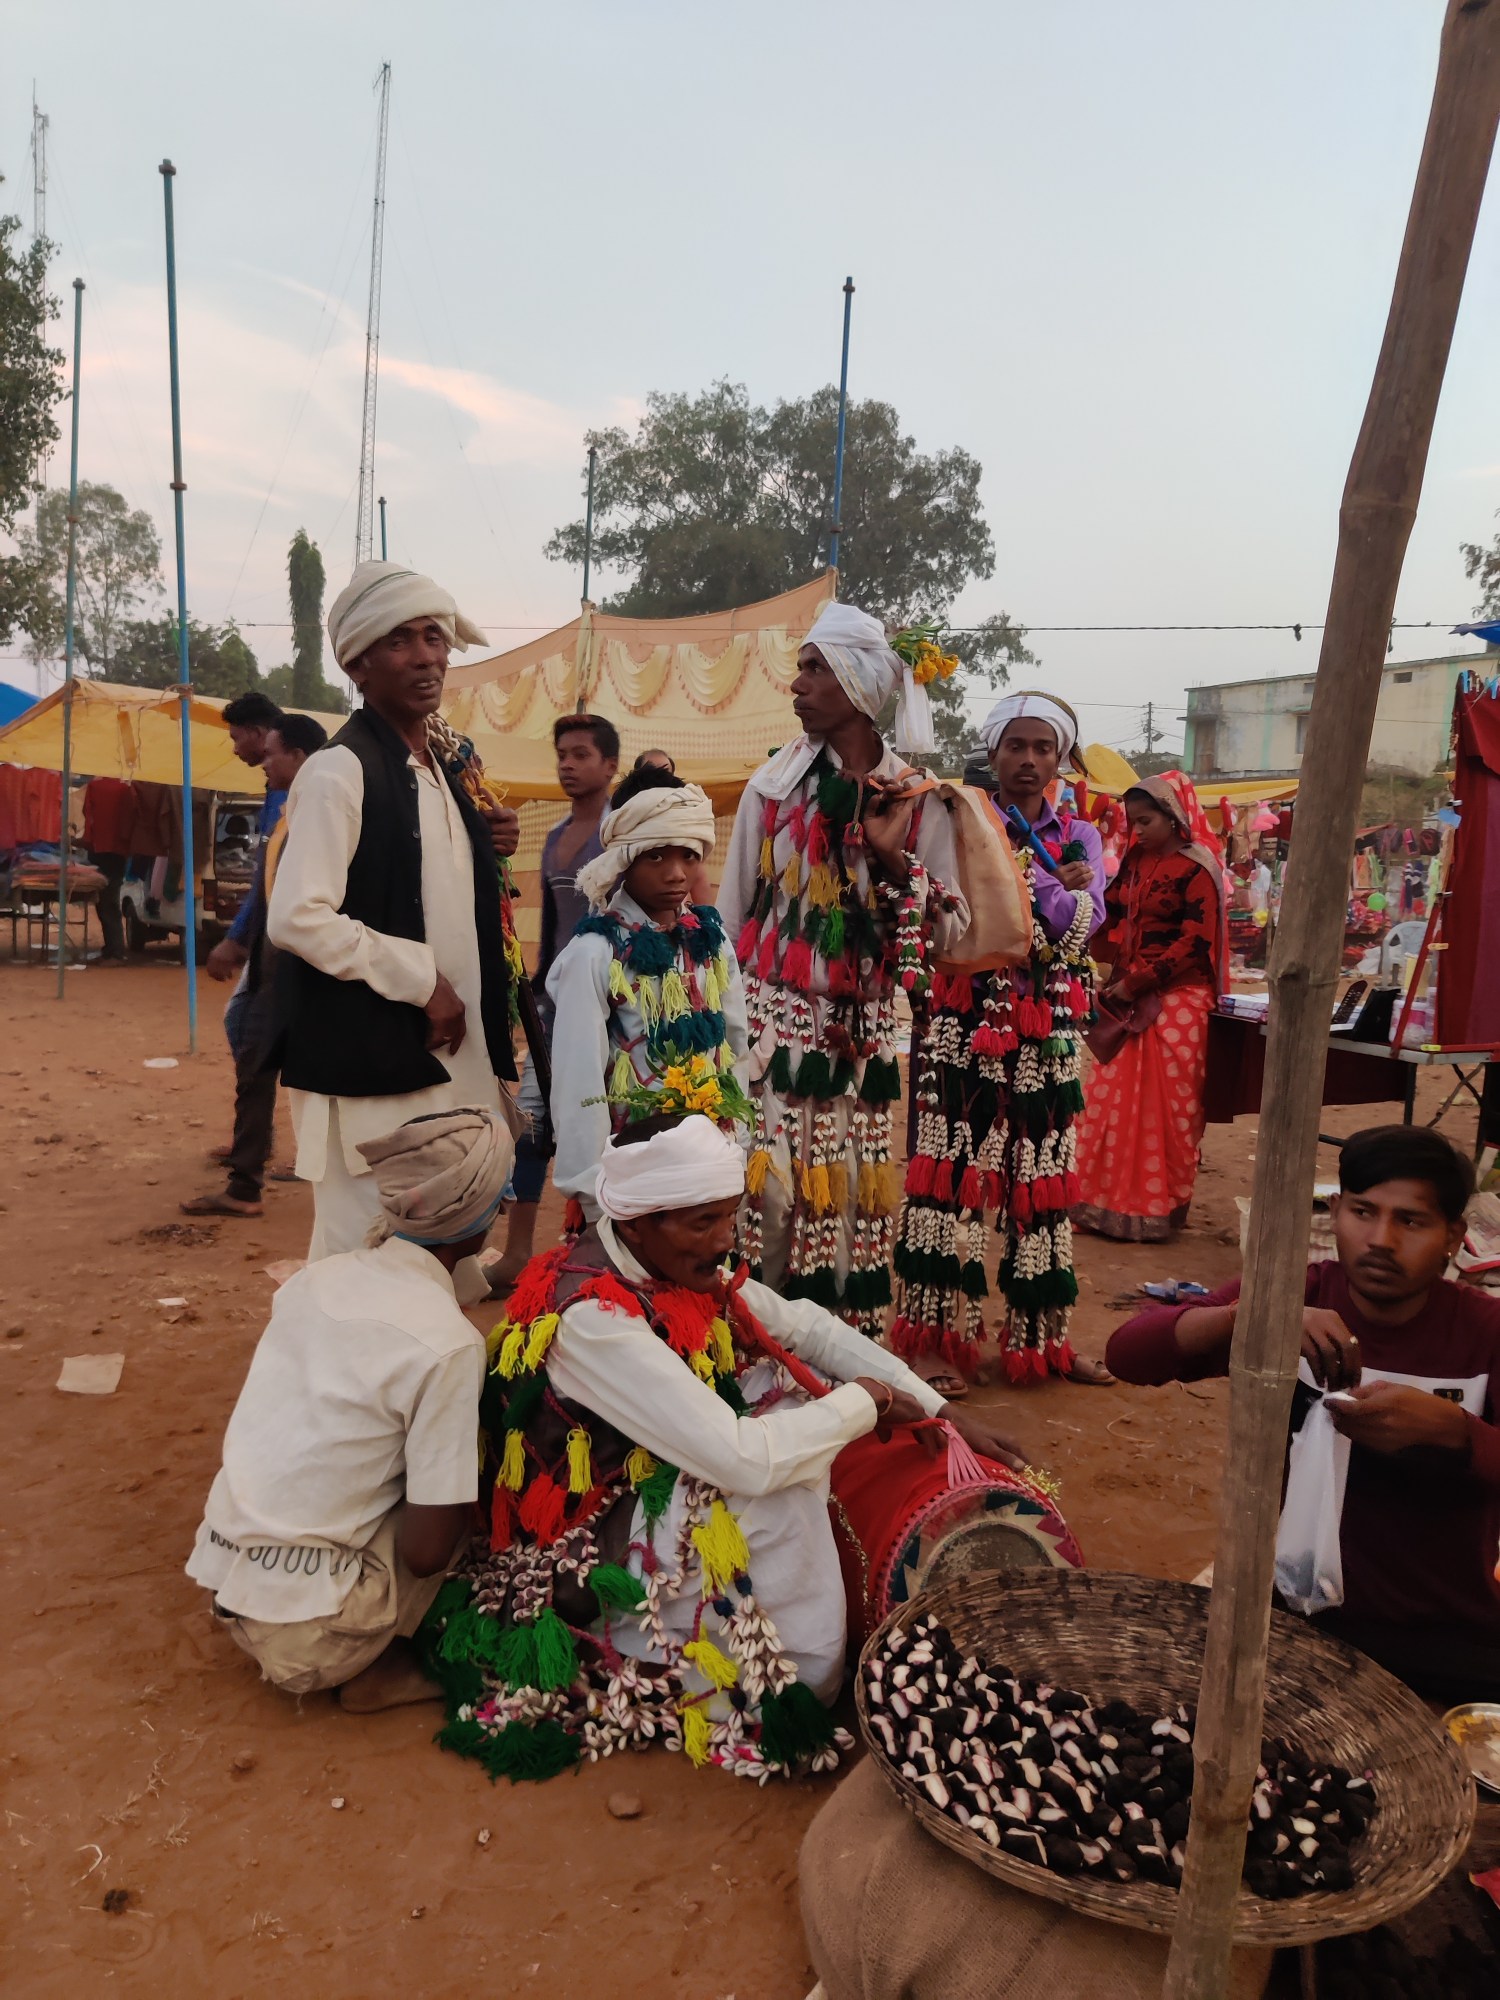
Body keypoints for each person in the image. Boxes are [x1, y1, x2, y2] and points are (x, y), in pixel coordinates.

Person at [424, 1111, 1025, 1781]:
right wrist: (868, 1402)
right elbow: (744, 1460)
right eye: (703, 1223)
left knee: (790, 1387)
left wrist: (939, 1410)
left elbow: (805, 1329)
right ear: (636, 1222)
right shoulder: (594, 1317)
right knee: (771, 1487)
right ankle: (780, 1684)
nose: (722, 1240)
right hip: (581, 1546)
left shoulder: (671, 1265)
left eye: (728, 1218)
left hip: (637, 1481)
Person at [1107, 1125, 1500, 1700]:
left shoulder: (1483, 1332)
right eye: (1363, 1212)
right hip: (1294, 1616)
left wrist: (1456, 1432)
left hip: (1446, 1631)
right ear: (1335, 1212)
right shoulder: (1300, 1295)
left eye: (1411, 1221)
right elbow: (1130, 1354)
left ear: (1453, 1236)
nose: (1381, 1239)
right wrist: (1254, 1316)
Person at [186, 1106, 516, 1710]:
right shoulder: (447, 1345)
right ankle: (378, 1666)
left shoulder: (316, 1280)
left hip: (230, 1585)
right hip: (319, 1640)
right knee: (474, 1480)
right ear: (481, 1220)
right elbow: (425, 1552)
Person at [717, 602, 969, 1334]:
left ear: (858, 686)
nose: (796, 684)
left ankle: (827, 1362)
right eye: (800, 667)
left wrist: (892, 855)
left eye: (813, 669)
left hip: (861, 1040)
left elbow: (950, 931)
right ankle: (749, 1343)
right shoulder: (771, 787)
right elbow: (734, 916)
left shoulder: (919, 800)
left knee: (848, 1199)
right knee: (765, 1197)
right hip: (772, 1023)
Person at [266, 560, 520, 1260]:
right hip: (375, 1064)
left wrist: (487, 837)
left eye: (433, 637)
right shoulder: (336, 770)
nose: (425, 658)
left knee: (445, 1260)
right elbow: (297, 916)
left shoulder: (439, 765)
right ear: (359, 663)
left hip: (446, 1066)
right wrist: (422, 982)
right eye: (400, 641)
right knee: (363, 1261)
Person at [891, 691, 1110, 1387]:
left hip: (1046, 1029)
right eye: (1015, 745)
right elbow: (969, 921)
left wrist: (1042, 899)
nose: (1029, 759)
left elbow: (1083, 926)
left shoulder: (1086, 836)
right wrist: (1052, 887)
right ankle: (934, 1342)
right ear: (992, 753)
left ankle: (1041, 1337)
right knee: (949, 1177)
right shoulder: (963, 822)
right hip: (966, 1026)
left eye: (1043, 747)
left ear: (1062, 759)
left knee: (1041, 1183)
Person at [546, 765, 750, 1223]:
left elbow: (734, 1047)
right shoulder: (595, 953)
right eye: (656, 856)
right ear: (624, 858)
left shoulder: (712, 942)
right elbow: (579, 1083)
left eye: (688, 855)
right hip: (631, 1175)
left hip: (710, 1162)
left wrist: (737, 1146)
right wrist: (595, 1193)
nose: (676, 874)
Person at [491, 712, 619, 1289]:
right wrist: (537, 988)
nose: (568, 764)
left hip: (611, 1007)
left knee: (602, 1126)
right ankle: (516, 1254)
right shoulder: (552, 835)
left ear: (610, 765)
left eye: (581, 754)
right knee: (532, 1128)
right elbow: (548, 915)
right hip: (553, 1006)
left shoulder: (620, 836)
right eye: (562, 754)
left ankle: (604, 1250)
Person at [182, 715, 328, 1217]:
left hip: (300, 969)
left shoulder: (317, 817)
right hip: (278, 967)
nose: (264, 764)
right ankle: (248, 1180)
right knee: (257, 1059)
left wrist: (239, 943)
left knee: (268, 1064)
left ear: (300, 755)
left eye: (271, 754)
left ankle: (251, 1182)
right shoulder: (290, 815)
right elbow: (270, 896)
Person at [1072, 771, 1226, 1242]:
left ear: (1174, 818)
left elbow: (1195, 943)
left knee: (1167, 1109)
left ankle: (1155, 1211)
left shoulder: (1198, 868)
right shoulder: (1137, 860)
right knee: (1106, 1099)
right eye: (1133, 822)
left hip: (1179, 1001)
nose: (1136, 831)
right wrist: (1077, 910)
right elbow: (1111, 907)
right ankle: (1099, 1203)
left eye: (1146, 821)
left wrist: (1137, 983)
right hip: (1132, 994)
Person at [207, 692, 288, 1056]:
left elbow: (269, 878)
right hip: (273, 933)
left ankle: (255, 1114)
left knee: (244, 1027)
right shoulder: (276, 789)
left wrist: (236, 939)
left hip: (281, 935)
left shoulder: (289, 792)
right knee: (244, 1024)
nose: (236, 750)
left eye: (237, 739)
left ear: (257, 733)